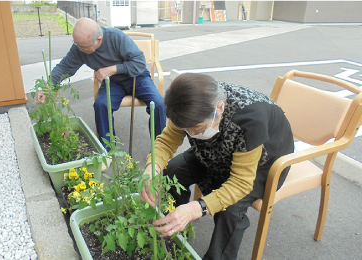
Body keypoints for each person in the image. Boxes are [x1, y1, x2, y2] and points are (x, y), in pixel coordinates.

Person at [141, 73, 294, 259]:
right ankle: (173, 228)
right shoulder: (188, 105)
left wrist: (197, 208)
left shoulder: (249, 122)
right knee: (172, 171)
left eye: (197, 129)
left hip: (262, 164)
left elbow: (241, 183)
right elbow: (166, 142)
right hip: (216, 152)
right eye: (186, 129)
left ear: (219, 108)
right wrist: (152, 169)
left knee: (230, 211)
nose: (190, 134)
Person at [49, 17, 166, 155]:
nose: (80, 49)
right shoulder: (80, 47)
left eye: (84, 47)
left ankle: (160, 150)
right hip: (113, 82)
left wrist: (112, 69)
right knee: (101, 104)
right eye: (77, 45)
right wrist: (48, 86)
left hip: (137, 77)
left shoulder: (116, 37)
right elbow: (64, 67)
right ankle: (107, 151)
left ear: (99, 39)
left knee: (158, 103)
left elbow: (140, 62)